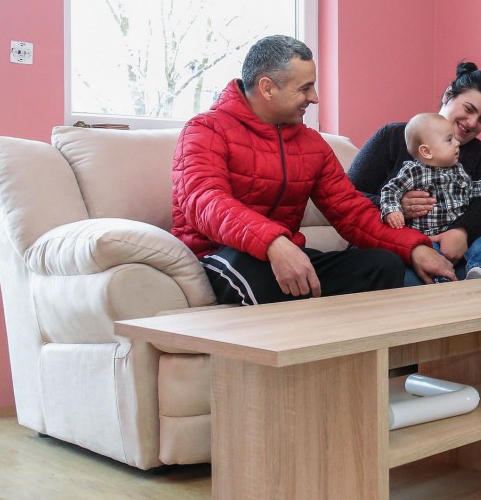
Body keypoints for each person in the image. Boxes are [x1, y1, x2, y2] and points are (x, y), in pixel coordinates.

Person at [172, 35, 456, 305]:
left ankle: (350, 340)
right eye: (304, 88)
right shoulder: (205, 130)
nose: (315, 97)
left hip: (285, 253)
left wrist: (413, 247)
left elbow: (352, 212)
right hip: (217, 255)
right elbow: (205, 200)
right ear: (267, 88)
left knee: (383, 264)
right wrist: (273, 243)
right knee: (254, 273)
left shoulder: (311, 144)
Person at [349, 62, 481, 283]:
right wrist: (395, 207)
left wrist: (462, 231)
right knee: (404, 277)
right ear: (448, 95)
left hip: (464, 244)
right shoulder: (393, 136)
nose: (472, 123)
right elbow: (349, 194)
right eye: (468, 109)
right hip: (393, 241)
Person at [379, 112, 481, 279]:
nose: (457, 143)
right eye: (449, 140)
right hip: (427, 234)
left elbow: (470, 190)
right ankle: (441, 279)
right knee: (431, 255)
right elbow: (390, 190)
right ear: (426, 151)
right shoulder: (413, 172)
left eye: (454, 138)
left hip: (456, 228)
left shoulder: (457, 170)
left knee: (480, 241)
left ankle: (478, 269)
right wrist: (393, 209)